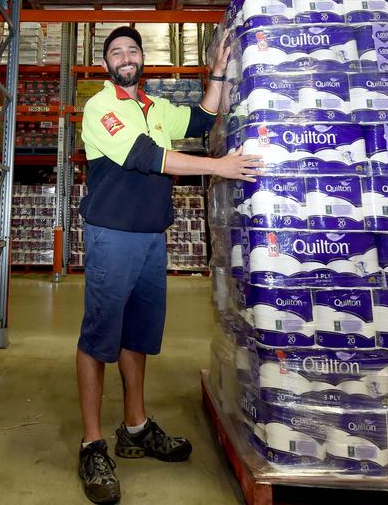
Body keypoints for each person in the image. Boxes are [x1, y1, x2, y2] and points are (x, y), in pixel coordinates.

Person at [75, 25, 261, 504]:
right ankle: (91, 443)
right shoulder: (101, 107)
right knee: (99, 340)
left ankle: (134, 428)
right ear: (106, 64)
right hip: (111, 235)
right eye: (115, 51)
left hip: (150, 240)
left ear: (142, 58)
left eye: (132, 49)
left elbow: (201, 120)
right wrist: (218, 167)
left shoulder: (157, 108)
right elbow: (144, 157)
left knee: (136, 338)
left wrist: (217, 71)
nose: (125, 56)